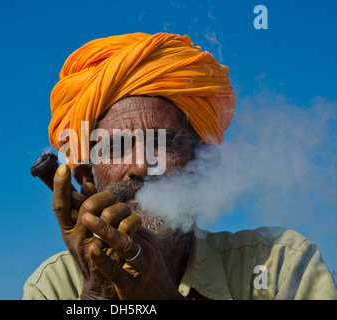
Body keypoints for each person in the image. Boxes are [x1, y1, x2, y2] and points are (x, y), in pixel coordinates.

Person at [23, 32, 337, 300]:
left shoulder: (281, 265)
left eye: (165, 143)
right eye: (116, 147)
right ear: (86, 176)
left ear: (205, 163)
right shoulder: (53, 287)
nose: (143, 166)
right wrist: (97, 295)